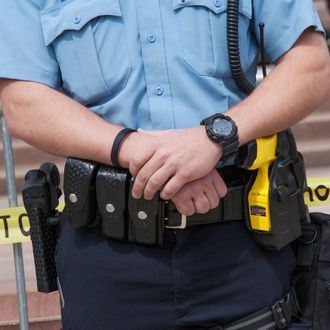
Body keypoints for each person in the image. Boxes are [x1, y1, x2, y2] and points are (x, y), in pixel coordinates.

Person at [0, 1, 329, 329]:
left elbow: (311, 65)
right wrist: (137, 151)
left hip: (241, 245)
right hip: (107, 251)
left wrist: (214, 138)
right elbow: (22, 101)